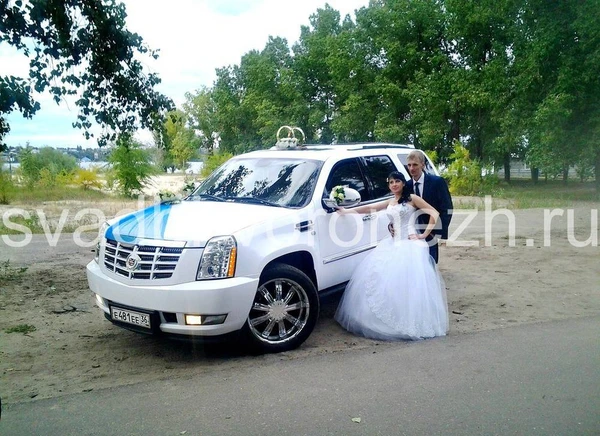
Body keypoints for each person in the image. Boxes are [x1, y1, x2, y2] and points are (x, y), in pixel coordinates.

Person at [334, 171, 449, 341]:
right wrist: (345, 211)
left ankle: (410, 323)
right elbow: (368, 209)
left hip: (410, 246)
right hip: (393, 242)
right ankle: (381, 320)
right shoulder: (390, 201)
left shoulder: (412, 199)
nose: (394, 185)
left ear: (403, 183)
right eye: (391, 182)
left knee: (409, 286)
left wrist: (424, 235)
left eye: (397, 181)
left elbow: (434, 213)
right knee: (381, 279)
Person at [391, 150, 453, 264]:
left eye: (415, 165)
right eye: (409, 165)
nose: (411, 168)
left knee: (431, 263)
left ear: (423, 165)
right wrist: (391, 225)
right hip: (412, 233)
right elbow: (399, 207)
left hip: (430, 231)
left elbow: (447, 208)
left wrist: (437, 231)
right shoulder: (407, 186)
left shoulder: (437, 182)